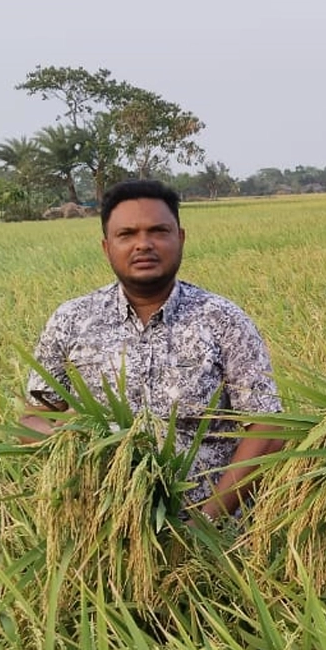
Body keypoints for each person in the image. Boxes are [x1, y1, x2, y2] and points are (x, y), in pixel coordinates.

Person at [20, 179, 282, 522]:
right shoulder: (72, 320)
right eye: (126, 234)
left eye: (158, 231)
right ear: (106, 247)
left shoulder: (223, 320)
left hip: (214, 535)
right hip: (102, 528)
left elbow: (268, 428)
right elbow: (33, 417)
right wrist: (76, 447)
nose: (143, 244)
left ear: (181, 238)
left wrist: (209, 519)